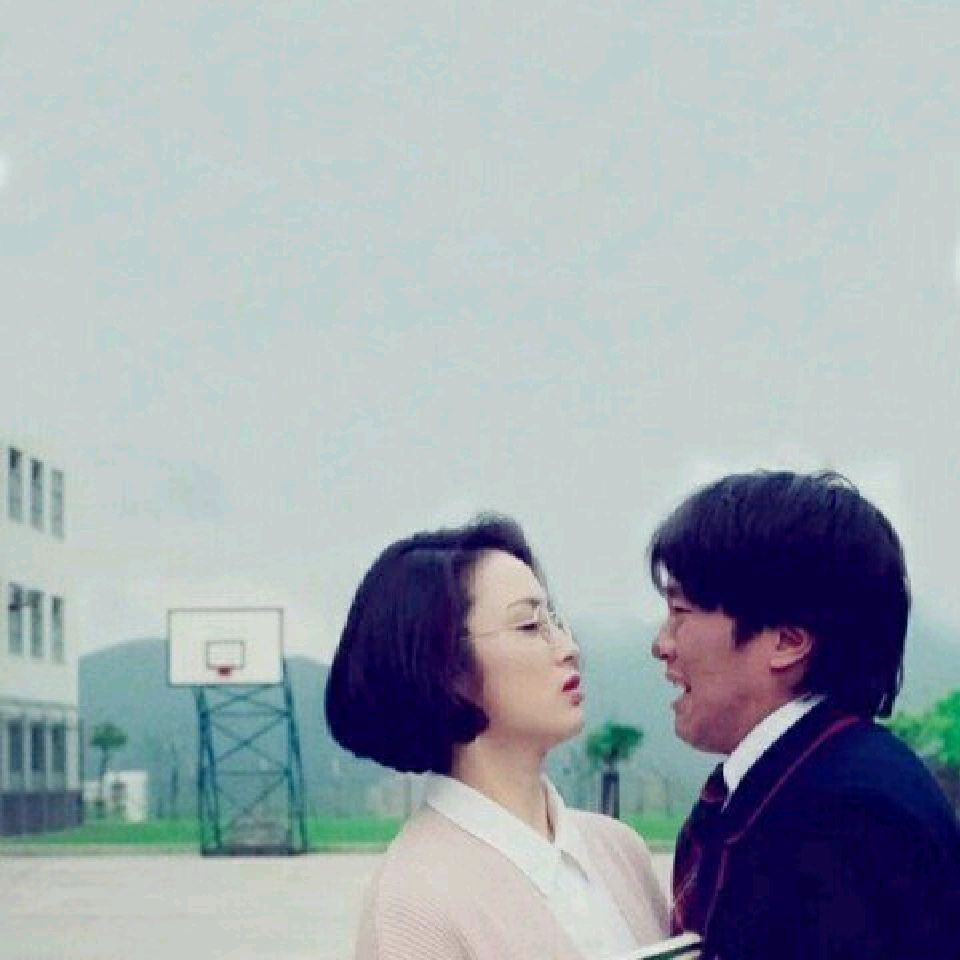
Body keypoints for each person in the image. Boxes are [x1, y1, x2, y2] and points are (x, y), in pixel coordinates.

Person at [648, 469, 960, 960]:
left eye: (680, 612)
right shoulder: (799, 782)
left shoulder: (847, 816)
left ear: (787, 642)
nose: (661, 644)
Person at [326, 514, 668, 960]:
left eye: (555, 621)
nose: (568, 648)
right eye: (529, 626)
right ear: (447, 668)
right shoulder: (412, 906)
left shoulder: (619, 850)